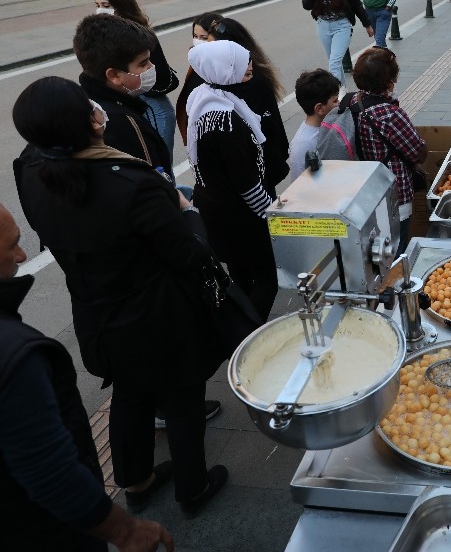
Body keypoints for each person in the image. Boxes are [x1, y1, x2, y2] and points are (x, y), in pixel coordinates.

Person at [13, 77, 230, 521]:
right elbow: (185, 253)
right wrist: (191, 218)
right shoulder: (130, 181)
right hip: (159, 313)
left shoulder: (32, 168)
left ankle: (135, 482)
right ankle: (194, 487)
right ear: (87, 123)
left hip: (96, 310)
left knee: (130, 393)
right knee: (182, 399)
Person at [0, 204, 176, 552]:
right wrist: (125, 532)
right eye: (11, 246)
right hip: (43, 531)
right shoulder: (15, 355)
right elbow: (50, 472)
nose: (22, 255)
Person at [186, 40, 279, 321]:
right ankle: (249, 335)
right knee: (267, 279)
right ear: (223, 71)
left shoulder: (204, 98)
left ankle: (238, 326)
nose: (250, 71)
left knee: (240, 276)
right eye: (243, 67)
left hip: (217, 207)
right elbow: (246, 184)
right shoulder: (225, 123)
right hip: (238, 216)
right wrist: (272, 214)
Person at [339, 47, 427, 252]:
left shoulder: (350, 101)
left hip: (362, 190)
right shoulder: (389, 114)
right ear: (389, 82)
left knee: (372, 251)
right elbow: (418, 153)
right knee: (396, 248)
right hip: (393, 193)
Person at [72, 15, 173, 179]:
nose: (151, 67)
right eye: (143, 63)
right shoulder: (125, 124)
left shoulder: (84, 101)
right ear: (114, 75)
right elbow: (154, 182)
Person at [93, 0, 178, 155]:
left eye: (106, 5)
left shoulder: (139, 34)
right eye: (98, 5)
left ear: (121, 5)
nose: (101, 10)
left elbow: (159, 74)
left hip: (151, 106)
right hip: (132, 107)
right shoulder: (104, 34)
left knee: (159, 167)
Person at [205, 17, 290, 190]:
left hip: (257, 169)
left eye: (214, 47)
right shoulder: (218, 81)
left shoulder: (253, 81)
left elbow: (269, 127)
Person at [302, 0, 373, 84]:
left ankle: (334, 96)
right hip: (323, 27)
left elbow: (357, 5)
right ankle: (342, 93)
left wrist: (367, 25)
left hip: (342, 26)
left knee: (334, 63)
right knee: (334, 62)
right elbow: (306, 5)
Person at [176, 11, 224, 146]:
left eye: (203, 37)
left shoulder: (224, 67)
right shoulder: (197, 60)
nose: (198, 41)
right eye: (195, 36)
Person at [289, 69, 342, 179]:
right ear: (320, 108)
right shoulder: (303, 144)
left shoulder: (331, 123)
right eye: (335, 101)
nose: (339, 103)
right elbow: (298, 183)